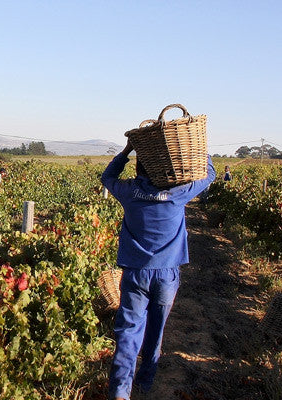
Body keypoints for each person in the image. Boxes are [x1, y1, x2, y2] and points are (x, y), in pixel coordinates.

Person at [101, 141, 215, 399]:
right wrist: (198, 149)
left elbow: (107, 177)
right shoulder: (178, 192)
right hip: (166, 275)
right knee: (156, 329)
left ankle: (120, 391)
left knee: (129, 330)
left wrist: (126, 151)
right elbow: (210, 174)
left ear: (140, 168)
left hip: (135, 273)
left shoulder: (129, 191)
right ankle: (145, 381)